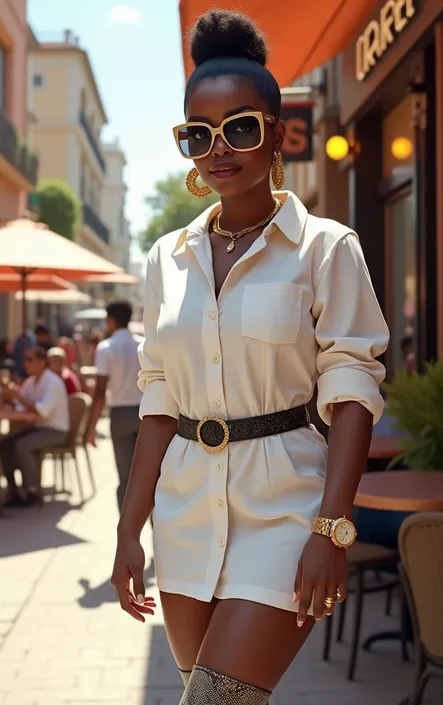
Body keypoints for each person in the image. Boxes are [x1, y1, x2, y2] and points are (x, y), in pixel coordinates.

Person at [111, 10, 389, 704]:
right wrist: (127, 527)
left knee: (213, 701)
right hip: (184, 512)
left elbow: (352, 385)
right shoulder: (165, 259)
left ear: (277, 132)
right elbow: (159, 399)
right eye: (197, 135)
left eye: (239, 126)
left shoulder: (327, 247)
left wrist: (332, 525)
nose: (218, 149)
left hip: (288, 507)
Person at [87, 300, 143, 510]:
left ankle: (127, 532)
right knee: (152, 474)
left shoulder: (106, 347)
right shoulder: (143, 344)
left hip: (120, 414)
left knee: (125, 477)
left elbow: (100, 391)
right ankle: (158, 528)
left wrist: (91, 426)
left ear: (110, 320)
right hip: (146, 413)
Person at [0, 346, 70, 507]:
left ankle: (31, 490)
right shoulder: (31, 381)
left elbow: (41, 411)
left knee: (22, 445)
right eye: (24, 360)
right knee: (5, 443)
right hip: (38, 428)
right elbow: (19, 404)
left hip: (55, 431)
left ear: (42, 362)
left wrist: (17, 396)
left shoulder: (52, 382)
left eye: (30, 360)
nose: (26, 364)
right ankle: (14, 491)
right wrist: (9, 397)